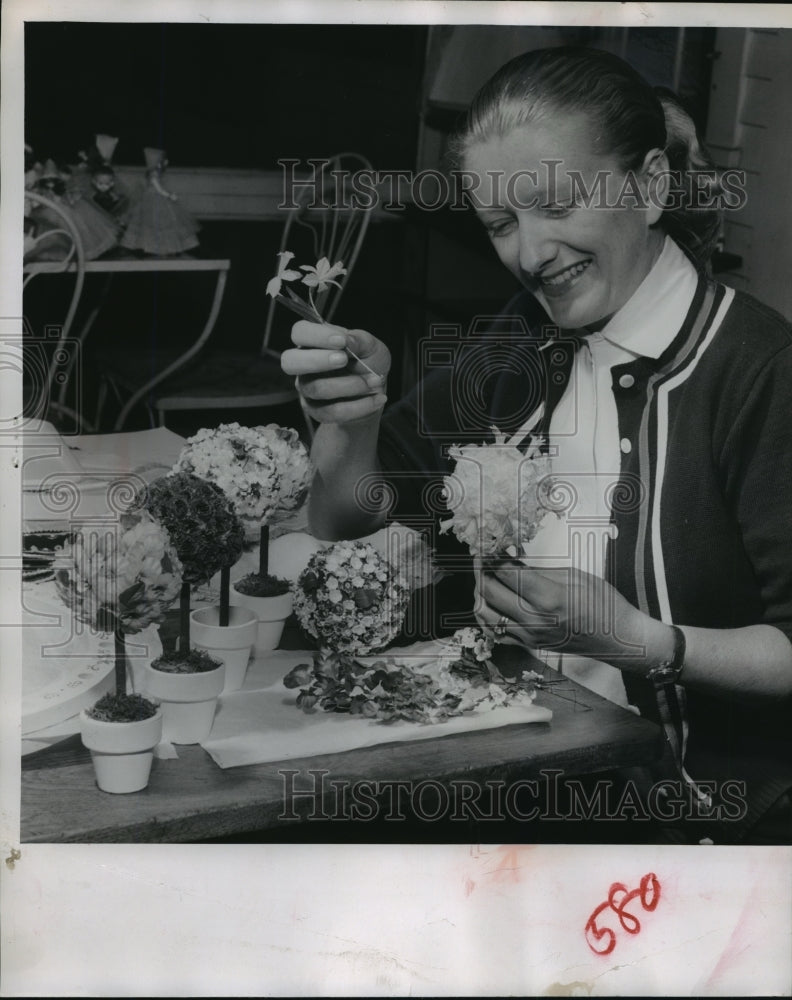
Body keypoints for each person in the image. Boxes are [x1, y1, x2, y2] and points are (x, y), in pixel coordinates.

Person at [281, 46, 792, 844]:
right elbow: (350, 516)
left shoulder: (761, 373)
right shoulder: (518, 339)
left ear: (650, 186)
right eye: (501, 223)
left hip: (690, 823)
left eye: (556, 205)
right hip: (520, 772)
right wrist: (355, 421)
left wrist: (637, 640)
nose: (529, 251)